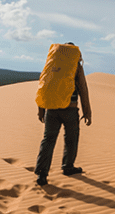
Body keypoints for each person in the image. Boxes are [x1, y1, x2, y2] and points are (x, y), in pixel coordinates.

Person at [34, 43, 92, 186]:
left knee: (48, 140)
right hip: (69, 109)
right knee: (71, 138)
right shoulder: (75, 66)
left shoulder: (52, 64)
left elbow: (44, 86)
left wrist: (41, 109)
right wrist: (87, 112)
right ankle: (68, 167)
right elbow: (83, 89)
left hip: (51, 109)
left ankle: (42, 173)